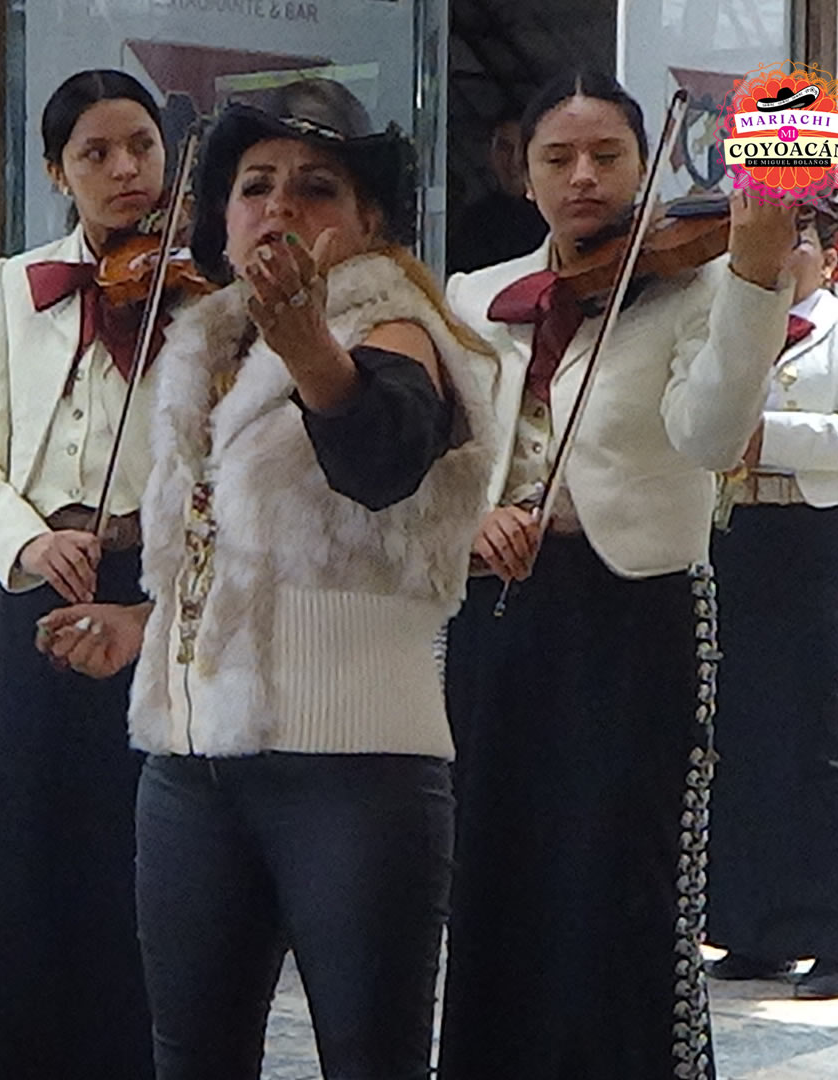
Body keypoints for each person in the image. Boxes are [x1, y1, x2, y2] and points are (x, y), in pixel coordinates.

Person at [34, 78, 496, 1080]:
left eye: (315, 186)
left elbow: (384, 454)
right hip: (190, 764)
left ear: (368, 218)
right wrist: (143, 623)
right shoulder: (209, 340)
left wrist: (316, 357)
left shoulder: (396, 324)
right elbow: (227, 549)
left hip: (355, 771)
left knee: (369, 1061)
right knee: (190, 1055)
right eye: (256, 184)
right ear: (223, 213)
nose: (279, 206)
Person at [438, 68, 799, 1080]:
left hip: (637, 607)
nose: (585, 177)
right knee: (498, 868)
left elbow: (711, 434)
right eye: (559, 158)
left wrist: (759, 277)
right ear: (524, 173)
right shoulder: (480, 295)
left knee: (624, 875)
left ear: (649, 165)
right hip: (502, 612)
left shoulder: (704, 280)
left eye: (609, 157)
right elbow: (452, 454)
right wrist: (477, 517)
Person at [0, 68, 168, 1079]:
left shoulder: (203, 285)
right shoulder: (13, 282)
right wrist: (30, 541)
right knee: (33, 852)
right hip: (41, 590)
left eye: (143, 147)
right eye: (96, 153)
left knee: (144, 850)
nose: (125, 170)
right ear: (55, 172)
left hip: (150, 589)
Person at [705, 192, 838, 999]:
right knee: (732, 733)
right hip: (727, 533)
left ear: (831, 257)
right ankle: (754, 928)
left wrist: (765, 435)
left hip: (809, 537)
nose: (779, 254)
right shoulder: (727, 320)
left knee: (817, 739)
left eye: (798, 241)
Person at [449, 104, 549, 272]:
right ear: (490, 153)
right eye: (505, 148)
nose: (514, 160)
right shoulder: (473, 222)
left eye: (522, 148)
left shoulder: (553, 216)